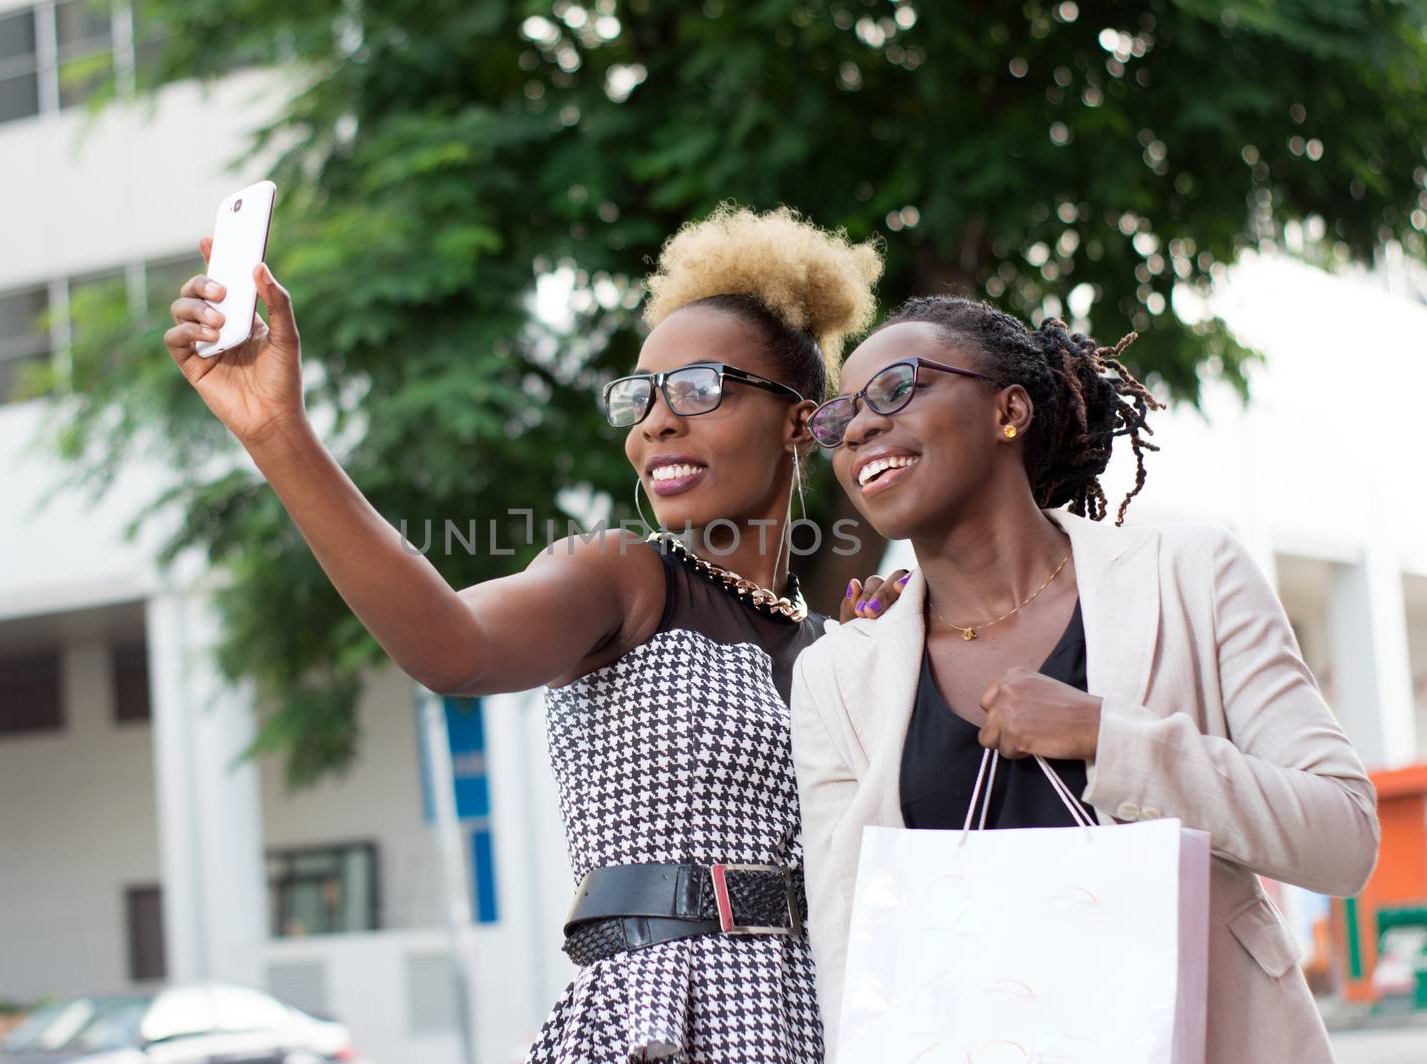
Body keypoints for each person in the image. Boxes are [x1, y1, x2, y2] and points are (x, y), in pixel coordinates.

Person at [163, 205, 882, 1061]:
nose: (655, 423)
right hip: (657, 1016)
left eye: (698, 389)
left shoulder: (831, 647)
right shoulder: (623, 574)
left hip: (819, 1019)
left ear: (801, 422)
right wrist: (278, 431)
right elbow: (452, 647)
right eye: (639, 397)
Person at [789, 295, 1379, 1062]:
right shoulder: (837, 676)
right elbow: (848, 949)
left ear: (1009, 410)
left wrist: (1108, 737)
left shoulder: (1190, 576)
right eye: (840, 418)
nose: (860, 426)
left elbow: (1344, 838)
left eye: (898, 388)